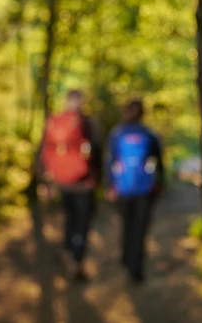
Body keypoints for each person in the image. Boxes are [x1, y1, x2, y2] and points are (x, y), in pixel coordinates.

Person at [36, 89, 103, 281]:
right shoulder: (89, 123)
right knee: (82, 224)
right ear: (81, 102)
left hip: (61, 183)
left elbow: (42, 152)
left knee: (69, 220)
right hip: (85, 184)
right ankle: (77, 259)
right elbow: (98, 151)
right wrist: (99, 180)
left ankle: (68, 252)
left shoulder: (54, 122)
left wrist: (45, 182)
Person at [105, 98, 164, 284]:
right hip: (144, 190)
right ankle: (135, 268)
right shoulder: (149, 134)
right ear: (142, 113)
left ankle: (126, 259)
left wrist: (109, 185)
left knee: (126, 225)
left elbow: (109, 161)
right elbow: (159, 163)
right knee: (140, 229)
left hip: (123, 189)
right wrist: (159, 185)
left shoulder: (116, 134)